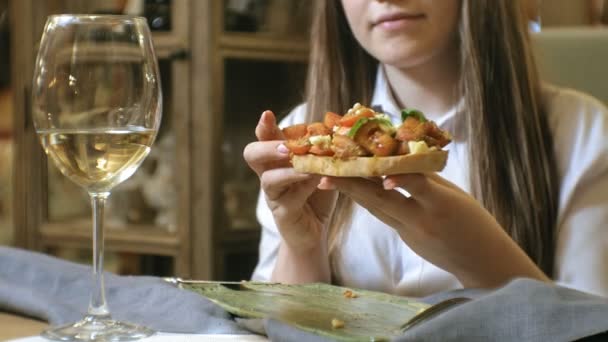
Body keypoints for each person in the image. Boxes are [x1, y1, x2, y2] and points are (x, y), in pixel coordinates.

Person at [243, 0, 608, 297]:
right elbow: (276, 324)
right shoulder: (303, 135)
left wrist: (481, 258)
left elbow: (593, 326)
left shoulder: (583, 131)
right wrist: (302, 245)